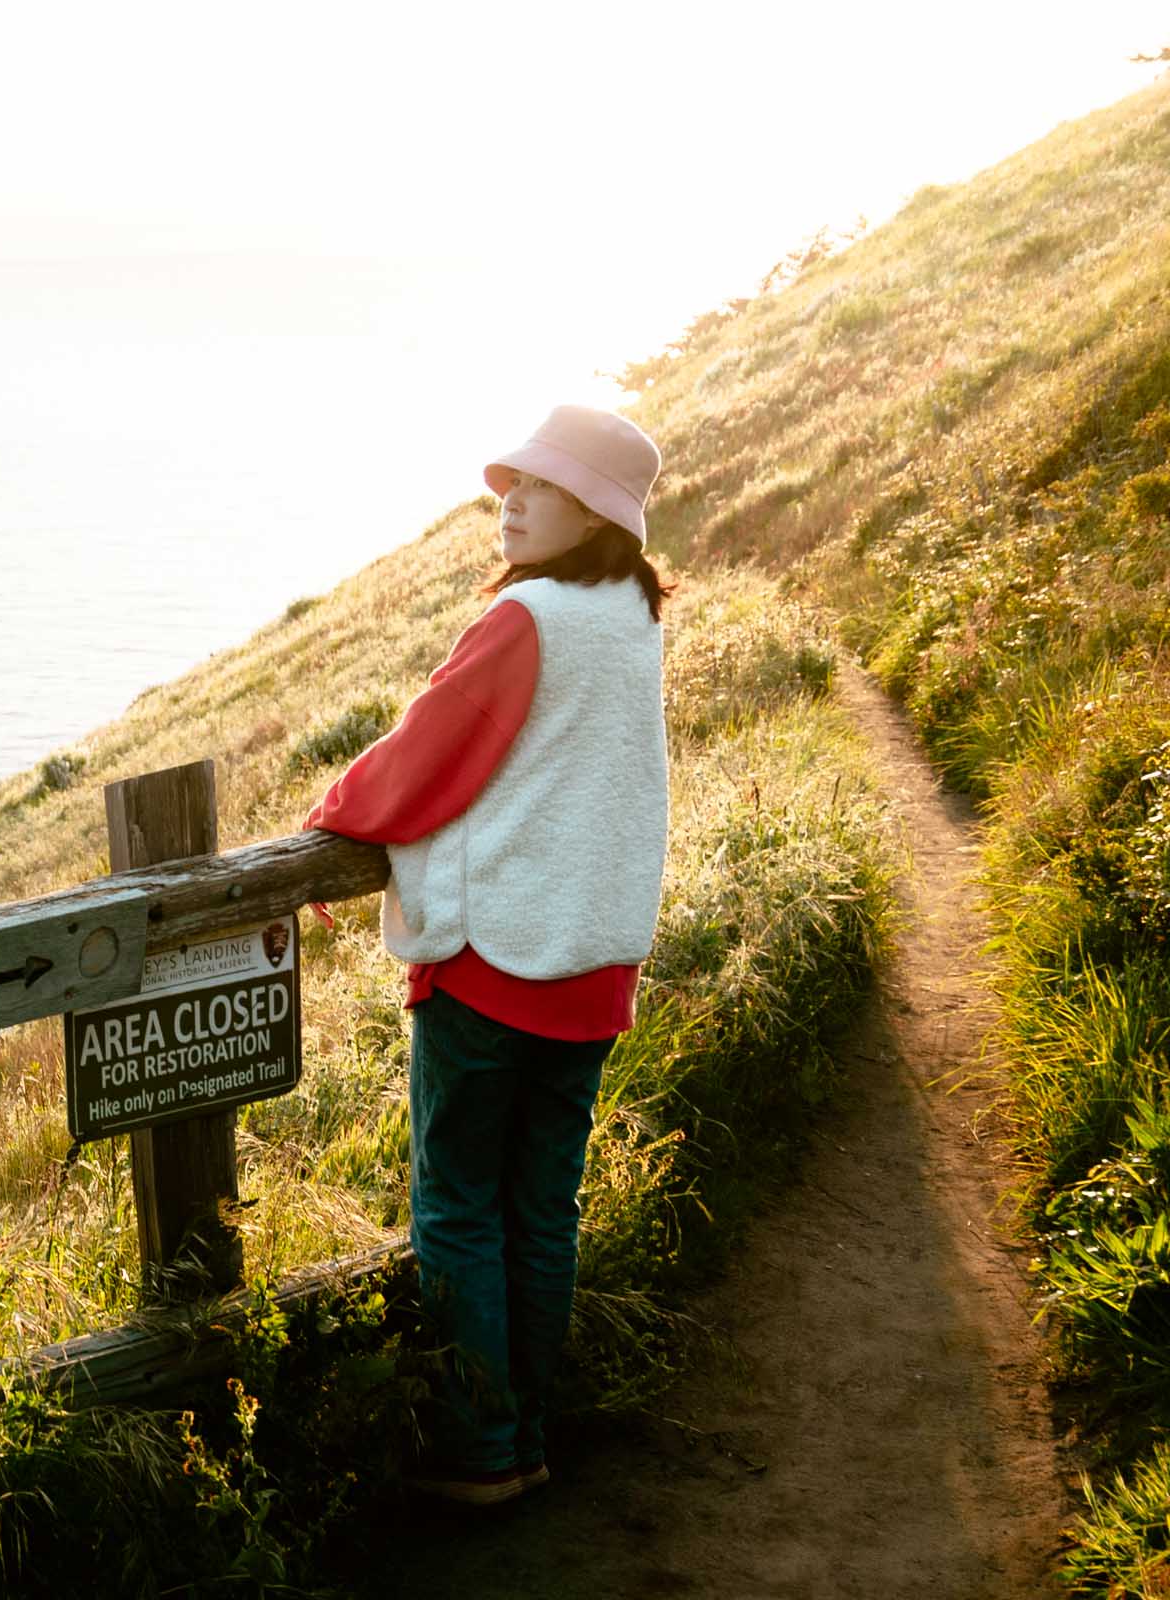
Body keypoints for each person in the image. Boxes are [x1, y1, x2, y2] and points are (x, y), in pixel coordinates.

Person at [303, 403, 672, 1506]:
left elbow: (430, 747)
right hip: (594, 962)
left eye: (540, 488)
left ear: (594, 509)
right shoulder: (632, 616)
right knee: (539, 1208)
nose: (510, 501)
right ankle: (528, 1431)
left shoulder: (529, 619)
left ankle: (479, 1450)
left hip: (500, 959)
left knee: (458, 1204)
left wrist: (334, 812)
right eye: (509, 483)